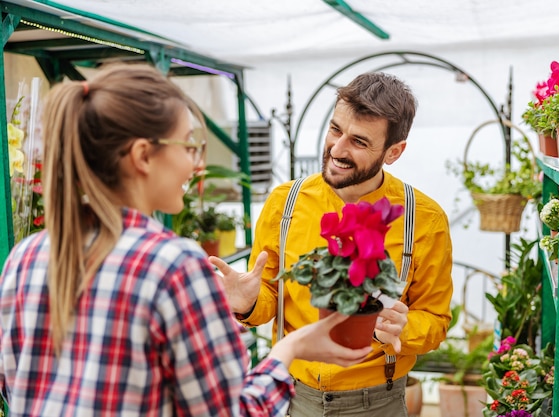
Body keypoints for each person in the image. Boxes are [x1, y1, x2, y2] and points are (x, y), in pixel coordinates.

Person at [0, 63, 372, 417]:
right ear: (143, 155)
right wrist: (289, 350)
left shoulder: (24, 257)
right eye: (188, 146)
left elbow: (14, 386)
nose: (196, 165)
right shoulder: (172, 265)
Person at [211, 72, 453, 416]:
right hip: (291, 397)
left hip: (376, 402)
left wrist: (404, 327)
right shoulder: (285, 202)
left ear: (393, 152)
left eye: (359, 141)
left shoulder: (424, 219)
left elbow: (436, 319)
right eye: (335, 130)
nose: (337, 149)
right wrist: (248, 303)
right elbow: (269, 296)